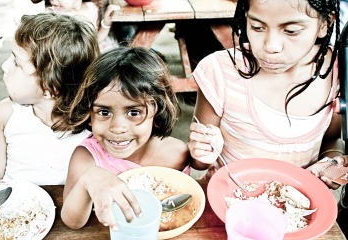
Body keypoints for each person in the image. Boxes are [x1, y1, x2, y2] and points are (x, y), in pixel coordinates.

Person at [188, 0, 342, 185]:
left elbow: (331, 140)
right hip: (225, 200)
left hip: (297, 210)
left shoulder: (337, 74)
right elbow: (198, 163)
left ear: (325, 24)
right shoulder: (220, 72)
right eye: (257, 27)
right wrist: (202, 151)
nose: (271, 46)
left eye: (291, 31)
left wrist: (331, 163)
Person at [0, 13, 100, 185]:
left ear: (50, 87)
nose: (4, 66)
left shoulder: (93, 125)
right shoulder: (6, 114)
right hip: (15, 208)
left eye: (17, 63)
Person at [60, 46, 190, 230]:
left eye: (134, 112)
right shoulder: (87, 159)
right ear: (89, 113)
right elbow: (72, 221)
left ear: (158, 109)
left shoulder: (175, 153)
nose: (117, 128)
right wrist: (89, 178)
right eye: (104, 112)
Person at [31, 0, 122, 53]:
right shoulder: (56, 14)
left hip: (98, 54)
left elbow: (96, 40)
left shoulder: (91, 8)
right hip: (76, 59)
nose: (53, 1)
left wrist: (106, 23)